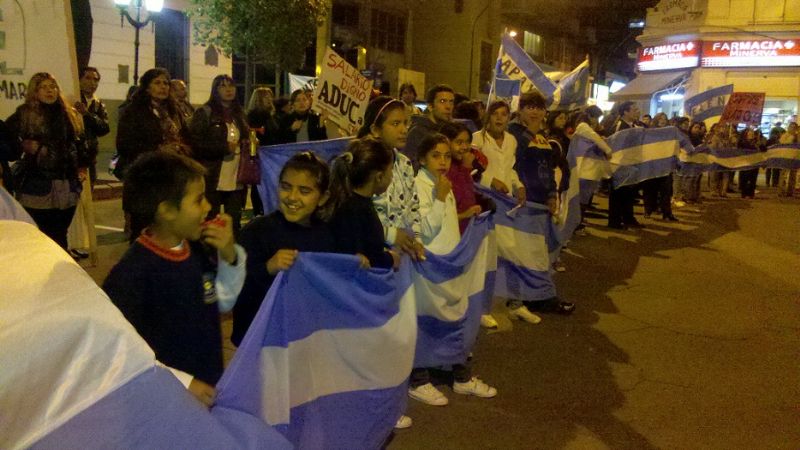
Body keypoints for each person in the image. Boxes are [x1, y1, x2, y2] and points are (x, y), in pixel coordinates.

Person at [102, 151, 245, 407]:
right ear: (167, 210)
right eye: (199, 200)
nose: (208, 207)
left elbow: (220, 302)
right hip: (165, 403)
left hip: (208, 388)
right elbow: (120, 353)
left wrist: (230, 255)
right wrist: (182, 382)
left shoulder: (197, 249)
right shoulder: (131, 277)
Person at [408, 132, 497, 408]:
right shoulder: (419, 186)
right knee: (427, 322)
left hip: (450, 263)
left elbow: (444, 223)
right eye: (436, 155)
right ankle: (419, 379)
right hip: (430, 267)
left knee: (457, 317)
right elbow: (422, 228)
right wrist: (439, 199)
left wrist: (462, 215)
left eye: (447, 155)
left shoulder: (441, 183)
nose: (443, 161)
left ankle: (460, 375)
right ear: (422, 159)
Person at [232, 152, 336, 346]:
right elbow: (236, 288)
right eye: (286, 187)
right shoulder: (257, 232)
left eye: (304, 191)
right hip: (263, 342)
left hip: (306, 339)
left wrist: (357, 263)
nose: (292, 197)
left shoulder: (327, 236)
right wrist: (268, 268)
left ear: (323, 198)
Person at [6, 72, 85, 250]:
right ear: (35, 91)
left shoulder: (68, 113)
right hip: (38, 184)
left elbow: (80, 144)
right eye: (44, 87)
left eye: (53, 86)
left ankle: (61, 274)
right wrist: (25, 147)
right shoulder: (25, 114)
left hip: (66, 183)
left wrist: (81, 169)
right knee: (40, 235)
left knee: (60, 234)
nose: (50, 91)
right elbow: (6, 136)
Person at [440, 121, 498, 329]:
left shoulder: (460, 167)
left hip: (464, 239)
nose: (464, 147)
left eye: (467, 142)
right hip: (451, 242)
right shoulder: (444, 171)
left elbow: (467, 193)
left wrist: (480, 201)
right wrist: (466, 212)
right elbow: (441, 212)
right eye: (459, 142)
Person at [360, 96, 425, 261]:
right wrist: (389, 235)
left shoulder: (405, 163)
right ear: (375, 129)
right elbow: (355, 215)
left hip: (403, 255)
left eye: (406, 123)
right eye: (395, 124)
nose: (404, 130)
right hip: (373, 255)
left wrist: (416, 239)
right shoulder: (361, 166)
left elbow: (413, 208)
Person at [189, 74, 249, 234]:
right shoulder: (205, 112)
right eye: (223, 86)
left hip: (236, 177)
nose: (229, 90)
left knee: (234, 223)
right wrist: (223, 147)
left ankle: (231, 256)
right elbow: (195, 143)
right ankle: (208, 256)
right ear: (215, 90)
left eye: (231, 86)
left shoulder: (239, 115)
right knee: (210, 222)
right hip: (213, 176)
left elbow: (246, 137)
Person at [328, 138, 400, 269]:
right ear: (379, 177)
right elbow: (359, 258)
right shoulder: (353, 210)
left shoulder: (353, 202)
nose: (392, 175)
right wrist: (390, 259)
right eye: (391, 170)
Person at [115, 67, 191, 180]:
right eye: (157, 83)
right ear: (147, 88)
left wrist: (183, 147)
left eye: (166, 83)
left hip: (172, 170)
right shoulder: (134, 111)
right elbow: (124, 144)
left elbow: (186, 135)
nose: (163, 87)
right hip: (145, 172)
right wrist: (158, 149)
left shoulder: (173, 111)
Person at [473, 100, 526, 208]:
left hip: (506, 200)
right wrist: (491, 180)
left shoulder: (511, 140)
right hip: (484, 198)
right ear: (488, 117)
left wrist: (519, 187)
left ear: (508, 118)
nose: (499, 118)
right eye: (495, 114)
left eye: (503, 114)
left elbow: (509, 169)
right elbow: (471, 170)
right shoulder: (477, 138)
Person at [607, 101, 644, 229]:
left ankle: (629, 218)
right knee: (618, 194)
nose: (637, 111)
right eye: (634, 109)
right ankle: (614, 221)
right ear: (625, 112)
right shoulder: (619, 126)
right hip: (619, 166)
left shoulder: (634, 126)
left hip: (631, 164)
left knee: (629, 193)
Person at [75, 67, 110, 186]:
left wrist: (87, 115)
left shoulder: (98, 103)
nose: (92, 83)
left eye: (96, 80)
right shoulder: (74, 99)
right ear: (79, 79)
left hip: (90, 157)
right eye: (88, 78)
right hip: (75, 158)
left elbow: (104, 128)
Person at [405, 84, 455, 164]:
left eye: (451, 102)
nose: (448, 106)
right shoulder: (418, 132)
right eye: (442, 101)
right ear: (430, 106)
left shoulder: (447, 130)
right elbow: (410, 165)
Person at [738, 128, 760, 199]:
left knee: (753, 179)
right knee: (745, 179)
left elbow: (763, 149)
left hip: (754, 163)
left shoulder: (756, 142)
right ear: (746, 134)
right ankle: (744, 193)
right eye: (750, 133)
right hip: (746, 163)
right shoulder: (742, 142)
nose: (751, 135)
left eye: (752, 133)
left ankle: (751, 193)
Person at [778, 122, 798, 197]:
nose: (792, 128)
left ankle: (790, 191)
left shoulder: (797, 136)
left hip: (795, 158)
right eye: (791, 127)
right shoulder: (785, 135)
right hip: (785, 158)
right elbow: (782, 144)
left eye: (794, 127)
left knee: (793, 175)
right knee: (783, 175)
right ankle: (781, 191)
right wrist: (791, 137)